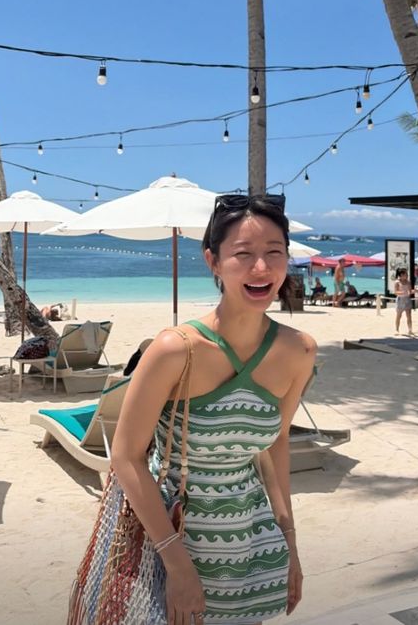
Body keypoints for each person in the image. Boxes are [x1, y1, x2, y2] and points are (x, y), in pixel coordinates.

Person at [108, 194, 316, 623]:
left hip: (253, 545)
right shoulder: (174, 350)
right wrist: (177, 564)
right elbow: (126, 456)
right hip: (172, 540)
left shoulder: (299, 350)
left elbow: (276, 445)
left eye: (274, 252)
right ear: (213, 261)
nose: (261, 268)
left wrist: (290, 542)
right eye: (243, 254)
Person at [394, 267, 413, 335]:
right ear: (401, 275)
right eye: (406, 274)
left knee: (409, 315)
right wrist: (402, 292)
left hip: (407, 299)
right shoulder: (397, 282)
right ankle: (397, 329)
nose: (407, 275)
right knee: (399, 316)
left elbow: (410, 291)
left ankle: (410, 329)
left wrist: (415, 291)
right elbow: (395, 292)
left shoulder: (408, 282)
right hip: (400, 300)